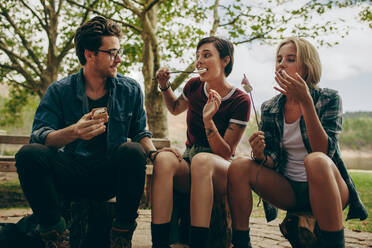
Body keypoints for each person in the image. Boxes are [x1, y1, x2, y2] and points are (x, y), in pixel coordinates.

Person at [15, 16, 158, 248]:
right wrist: (73, 132)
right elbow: (40, 136)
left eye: (118, 52)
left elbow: (140, 132)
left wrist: (154, 154)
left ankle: (121, 235)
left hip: (108, 175)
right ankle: (54, 234)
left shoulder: (130, 89)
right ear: (89, 54)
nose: (119, 59)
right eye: (112, 53)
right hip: (70, 171)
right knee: (28, 154)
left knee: (132, 151)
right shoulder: (60, 91)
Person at [227, 37, 368, 248]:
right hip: (289, 190)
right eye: (279, 59)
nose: (281, 64)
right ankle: (241, 243)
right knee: (238, 165)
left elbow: (324, 151)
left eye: (290, 59)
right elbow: (273, 159)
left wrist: (306, 102)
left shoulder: (329, 98)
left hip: (331, 188)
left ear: (307, 66)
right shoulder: (269, 107)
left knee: (316, 161)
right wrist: (261, 155)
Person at [151, 36, 251, 248]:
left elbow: (225, 153)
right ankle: (159, 243)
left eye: (206, 55)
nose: (199, 61)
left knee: (202, 161)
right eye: (197, 56)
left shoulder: (240, 100)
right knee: (164, 159)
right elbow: (175, 108)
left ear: (225, 60)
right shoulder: (194, 86)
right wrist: (164, 86)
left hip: (221, 170)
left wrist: (208, 121)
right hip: (191, 160)